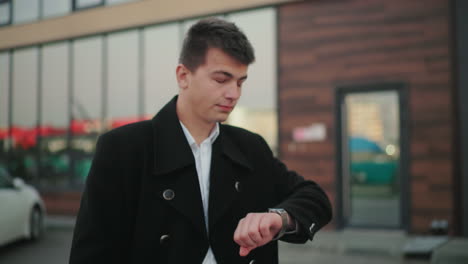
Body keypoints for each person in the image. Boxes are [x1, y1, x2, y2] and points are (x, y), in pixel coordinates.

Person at [69, 18, 332, 264]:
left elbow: (314, 197)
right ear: (183, 76)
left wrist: (279, 218)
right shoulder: (123, 149)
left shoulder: (250, 147)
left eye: (240, 82)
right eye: (221, 79)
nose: (233, 94)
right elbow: (92, 255)